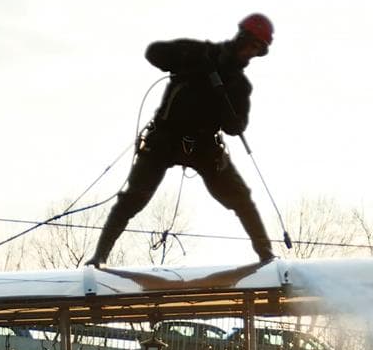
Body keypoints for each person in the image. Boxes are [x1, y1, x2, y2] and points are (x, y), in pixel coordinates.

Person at [87, 14, 275, 268]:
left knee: (241, 198)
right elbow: (153, 53)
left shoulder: (239, 85)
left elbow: (235, 127)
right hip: (165, 138)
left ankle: (266, 256)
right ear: (241, 37)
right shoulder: (201, 52)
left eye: (256, 50)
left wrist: (224, 99)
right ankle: (99, 257)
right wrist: (190, 60)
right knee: (133, 198)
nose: (250, 53)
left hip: (205, 147)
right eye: (250, 45)